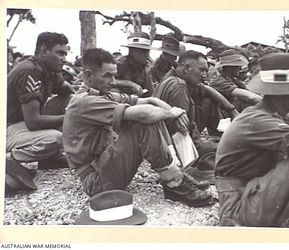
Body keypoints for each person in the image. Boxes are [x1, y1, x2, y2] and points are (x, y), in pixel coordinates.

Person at [62, 48, 215, 207]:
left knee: (153, 115)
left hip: (103, 164)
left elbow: (150, 101)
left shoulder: (100, 93)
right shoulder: (84, 102)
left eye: (114, 75)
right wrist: (171, 115)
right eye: (107, 76)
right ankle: (174, 183)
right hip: (95, 181)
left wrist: (171, 111)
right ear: (88, 75)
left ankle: (175, 176)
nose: (113, 82)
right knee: (143, 121)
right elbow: (143, 114)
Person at [214, 52, 289, 227]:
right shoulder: (257, 120)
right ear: (284, 93)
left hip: (250, 191)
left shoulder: (275, 113)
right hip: (237, 211)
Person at [153, 50, 238, 184]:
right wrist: (206, 146)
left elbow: (206, 89)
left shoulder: (174, 78)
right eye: (202, 70)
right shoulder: (178, 86)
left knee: (208, 102)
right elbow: (182, 131)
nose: (204, 75)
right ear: (187, 68)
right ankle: (197, 169)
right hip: (174, 147)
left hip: (166, 140)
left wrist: (231, 109)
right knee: (229, 153)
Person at [6, 32, 74, 192]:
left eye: (65, 53)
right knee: (55, 138)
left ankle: (49, 159)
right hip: (8, 128)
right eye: (60, 53)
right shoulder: (29, 71)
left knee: (70, 99)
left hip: (20, 125)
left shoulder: (46, 69)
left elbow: (67, 90)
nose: (64, 58)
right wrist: (70, 118)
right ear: (44, 51)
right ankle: (9, 158)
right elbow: (33, 121)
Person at [117, 31, 155, 96]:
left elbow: (150, 93)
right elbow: (110, 82)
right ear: (131, 51)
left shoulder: (144, 65)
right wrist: (130, 84)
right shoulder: (120, 64)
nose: (146, 54)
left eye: (147, 51)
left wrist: (148, 74)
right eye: (142, 51)